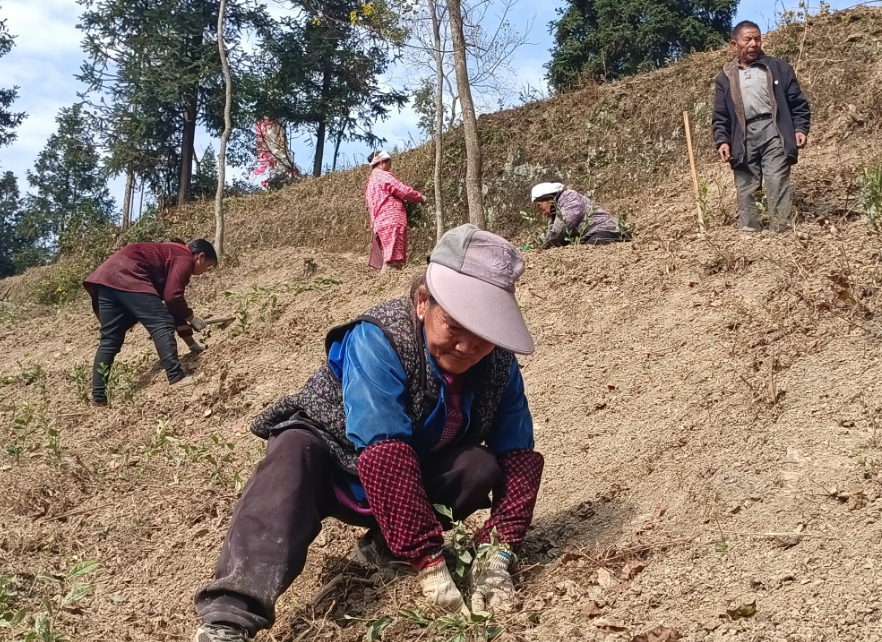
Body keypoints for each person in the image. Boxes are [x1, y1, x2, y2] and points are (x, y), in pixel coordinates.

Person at [193, 225, 544, 642]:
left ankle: (383, 548)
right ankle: (230, 619)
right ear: (421, 303)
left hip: (410, 475)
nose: (467, 347)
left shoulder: (500, 366)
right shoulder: (380, 337)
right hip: (334, 463)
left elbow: (517, 456)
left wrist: (498, 551)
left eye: (484, 337)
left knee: (478, 466)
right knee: (292, 453)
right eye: (454, 327)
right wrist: (429, 560)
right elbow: (383, 448)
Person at [83, 238, 217, 404]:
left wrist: (192, 344)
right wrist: (192, 317)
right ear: (200, 257)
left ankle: (98, 397)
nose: (205, 271)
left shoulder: (169, 253)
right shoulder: (184, 256)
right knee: (162, 323)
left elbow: (173, 307)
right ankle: (176, 378)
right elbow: (172, 297)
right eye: (208, 266)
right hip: (127, 273)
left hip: (106, 279)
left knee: (110, 340)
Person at [712, 20, 811, 233]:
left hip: (774, 130)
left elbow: (797, 102)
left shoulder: (779, 68)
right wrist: (722, 141)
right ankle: (750, 232)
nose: (754, 43)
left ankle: (779, 230)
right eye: (747, 39)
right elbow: (720, 115)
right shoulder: (725, 77)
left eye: (757, 38)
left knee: (776, 180)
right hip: (743, 135)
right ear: (734, 44)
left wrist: (800, 128)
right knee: (746, 185)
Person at [365, 150, 426, 271]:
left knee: (389, 258)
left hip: (379, 224)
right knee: (392, 262)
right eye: (389, 164)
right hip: (391, 221)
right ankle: (385, 286)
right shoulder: (383, 176)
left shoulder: (370, 183)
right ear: (382, 162)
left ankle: (384, 286)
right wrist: (420, 197)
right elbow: (402, 190)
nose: (389, 167)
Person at [531, 182, 624, 248]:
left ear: (548, 198)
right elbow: (552, 233)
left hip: (607, 230)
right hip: (595, 233)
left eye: (540, 206)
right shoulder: (558, 210)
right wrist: (536, 243)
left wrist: (540, 244)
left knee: (591, 251)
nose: (543, 213)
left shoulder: (569, 198)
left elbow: (560, 230)